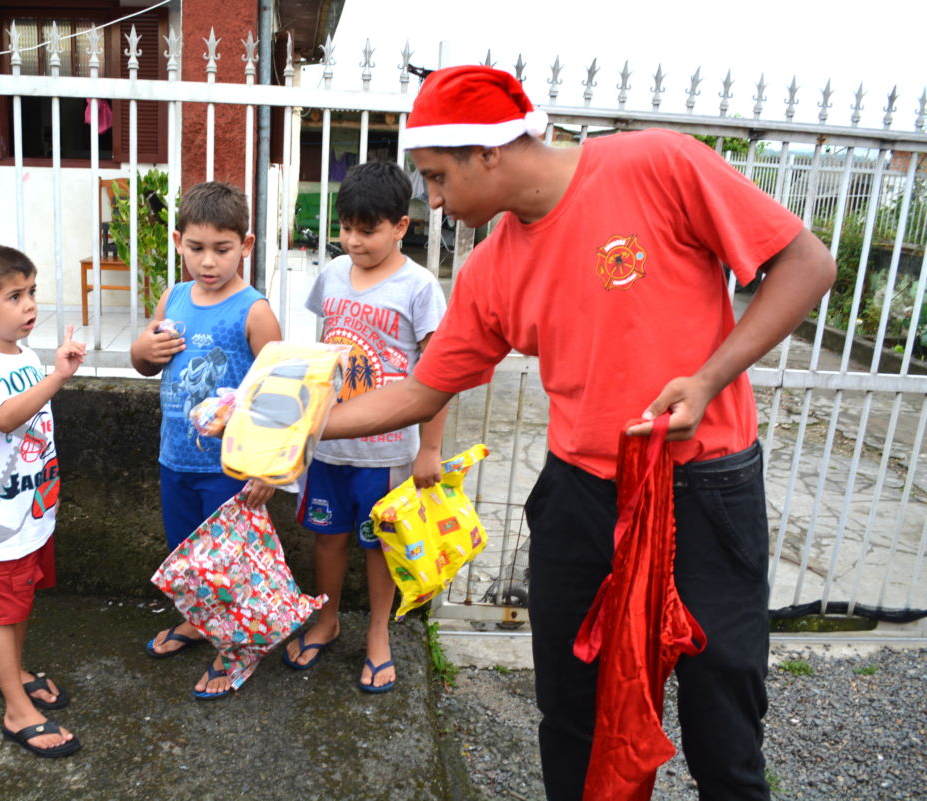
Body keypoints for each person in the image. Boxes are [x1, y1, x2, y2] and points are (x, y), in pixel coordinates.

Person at [320, 66, 837, 799]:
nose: (432, 198)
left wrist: (709, 377)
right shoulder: (492, 270)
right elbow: (420, 390)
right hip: (582, 496)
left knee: (723, 714)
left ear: (488, 152)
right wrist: (298, 423)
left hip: (706, 485)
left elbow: (808, 264)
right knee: (572, 711)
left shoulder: (655, 162)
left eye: (437, 177)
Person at [282, 160, 448, 693]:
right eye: (346, 228)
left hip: (387, 454)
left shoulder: (420, 287)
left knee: (378, 547)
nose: (353, 241)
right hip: (328, 447)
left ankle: (378, 633)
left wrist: (430, 449)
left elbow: (439, 376)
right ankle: (327, 621)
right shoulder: (330, 274)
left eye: (367, 230)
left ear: (400, 226)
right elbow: (321, 350)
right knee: (326, 540)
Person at [130, 181, 282, 699]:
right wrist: (142, 348)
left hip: (231, 469)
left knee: (229, 563)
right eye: (196, 248)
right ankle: (199, 623)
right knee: (187, 557)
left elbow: (279, 397)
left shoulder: (254, 311)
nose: (208, 262)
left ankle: (235, 647)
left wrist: (269, 469)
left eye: (222, 249)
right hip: (175, 459)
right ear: (178, 242)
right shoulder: (172, 296)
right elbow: (145, 365)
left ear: (246, 245)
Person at [0, 243, 87, 758]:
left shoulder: (24, 355)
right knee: (1, 615)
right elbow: (5, 417)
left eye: (31, 292)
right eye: (15, 296)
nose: (30, 305)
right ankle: (15, 707)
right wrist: (57, 377)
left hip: (32, 513)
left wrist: (50, 369)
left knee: (20, 604)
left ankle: (14, 674)